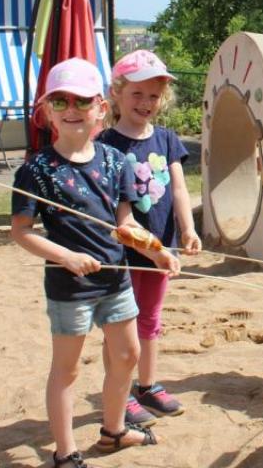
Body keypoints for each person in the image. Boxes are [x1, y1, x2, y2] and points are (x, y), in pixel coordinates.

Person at [12, 59, 179, 468]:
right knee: (66, 370)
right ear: (47, 109)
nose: (72, 108)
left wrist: (156, 250)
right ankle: (66, 451)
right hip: (71, 287)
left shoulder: (112, 161)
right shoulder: (36, 170)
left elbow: (124, 222)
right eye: (61, 101)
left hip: (116, 280)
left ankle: (114, 430)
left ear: (101, 108)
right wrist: (66, 256)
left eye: (82, 101)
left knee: (127, 355)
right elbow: (22, 231)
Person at [99, 49, 200, 426]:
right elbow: (112, 206)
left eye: (153, 96)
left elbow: (178, 190)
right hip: (122, 250)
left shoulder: (168, 139)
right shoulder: (106, 143)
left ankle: (148, 385)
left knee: (151, 318)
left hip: (163, 246)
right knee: (120, 324)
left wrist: (188, 229)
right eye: (137, 94)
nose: (145, 103)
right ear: (118, 93)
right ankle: (120, 393)